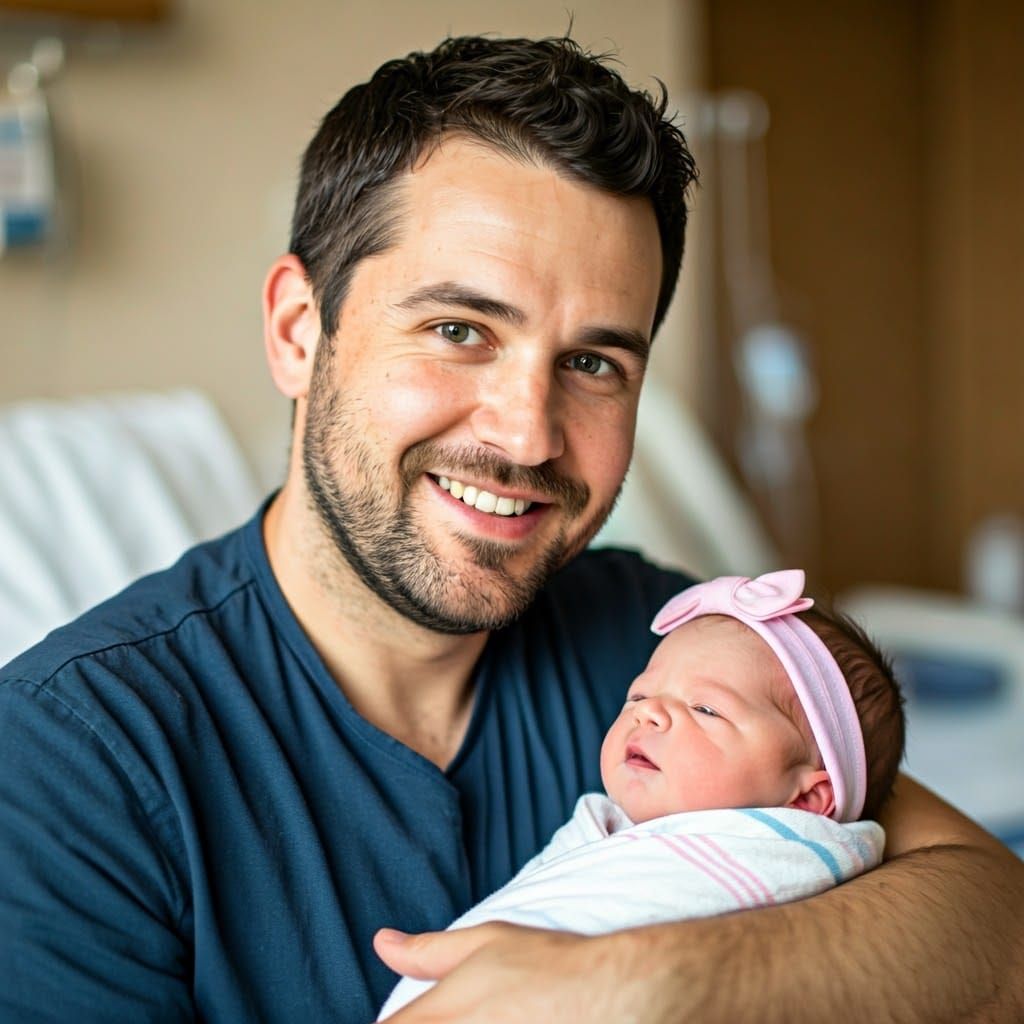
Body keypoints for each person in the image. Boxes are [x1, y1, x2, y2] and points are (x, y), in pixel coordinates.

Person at [0, 32, 1021, 1024]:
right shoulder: (72, 762)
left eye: (592, 364)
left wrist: (643, 987)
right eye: (459, 331)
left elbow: (997, 924)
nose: (528, 435)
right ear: (297, 331)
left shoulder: (655, 638)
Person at [378, 569, 905, 1018]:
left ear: (807, 802)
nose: (646, 712)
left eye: (706, 709)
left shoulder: (780, 861)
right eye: (641, 693)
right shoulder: (605, 830)